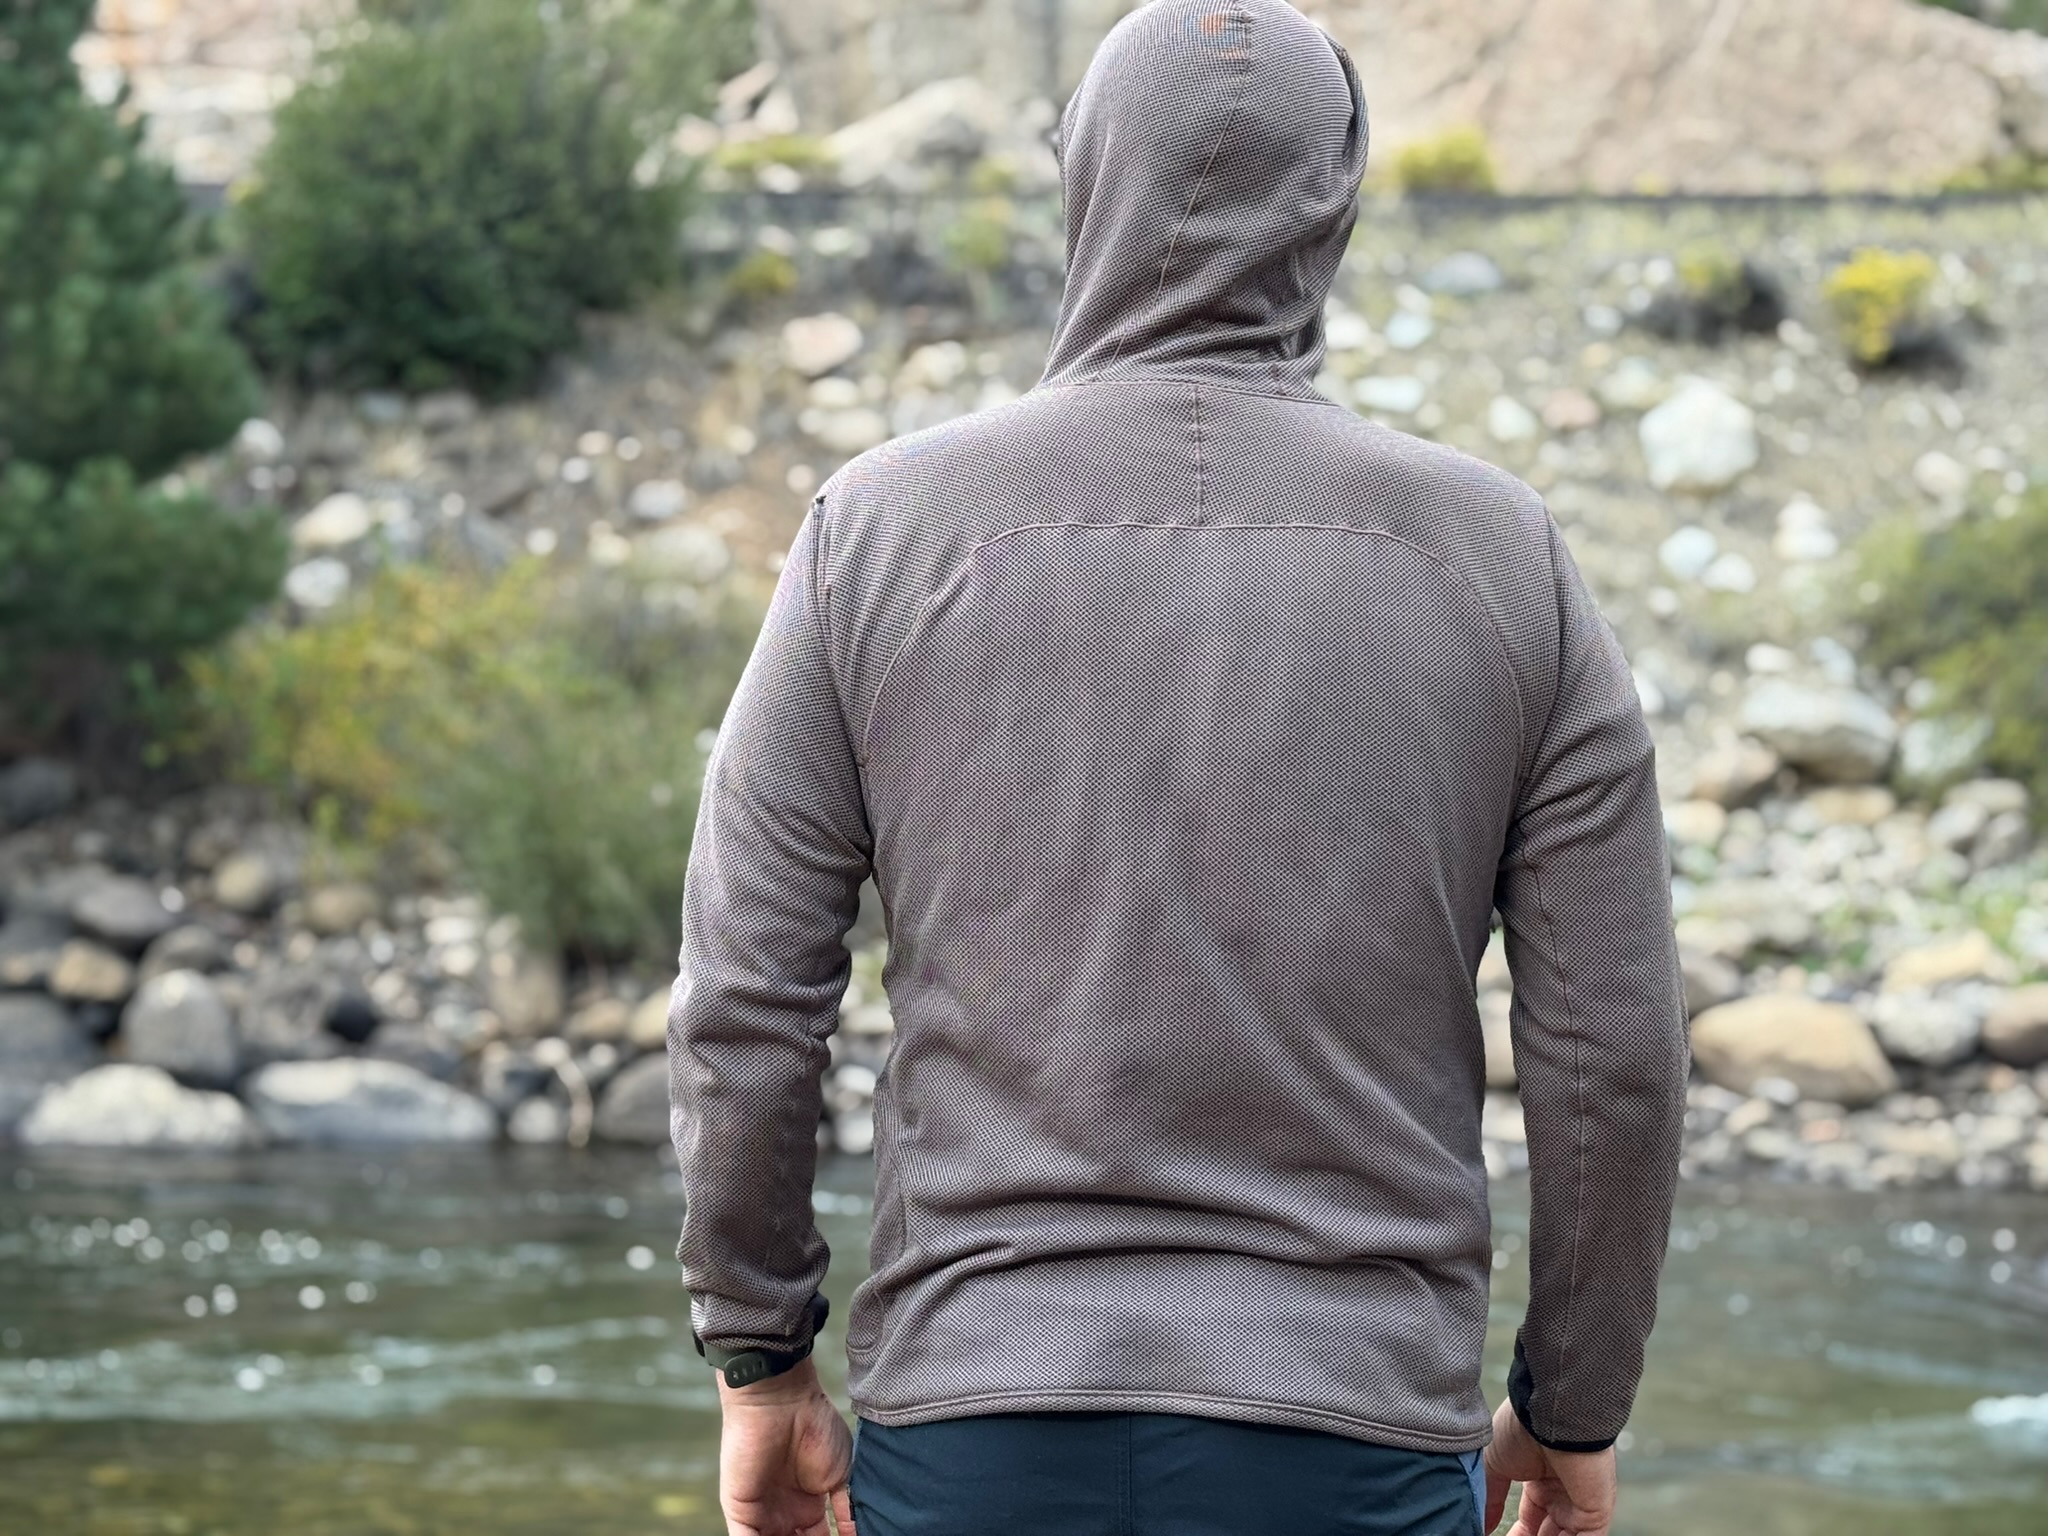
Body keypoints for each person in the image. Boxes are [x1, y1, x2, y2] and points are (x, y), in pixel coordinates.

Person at [664, 2, 1692, 1532]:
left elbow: (746, 1006)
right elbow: (1613, 1057)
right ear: (1333, 211)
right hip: (1353, 1444)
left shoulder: (868, 539)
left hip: (973, 1432)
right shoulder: (1505, 562)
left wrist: (761, 1359)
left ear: (1081, 186)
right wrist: (1571, 1404)